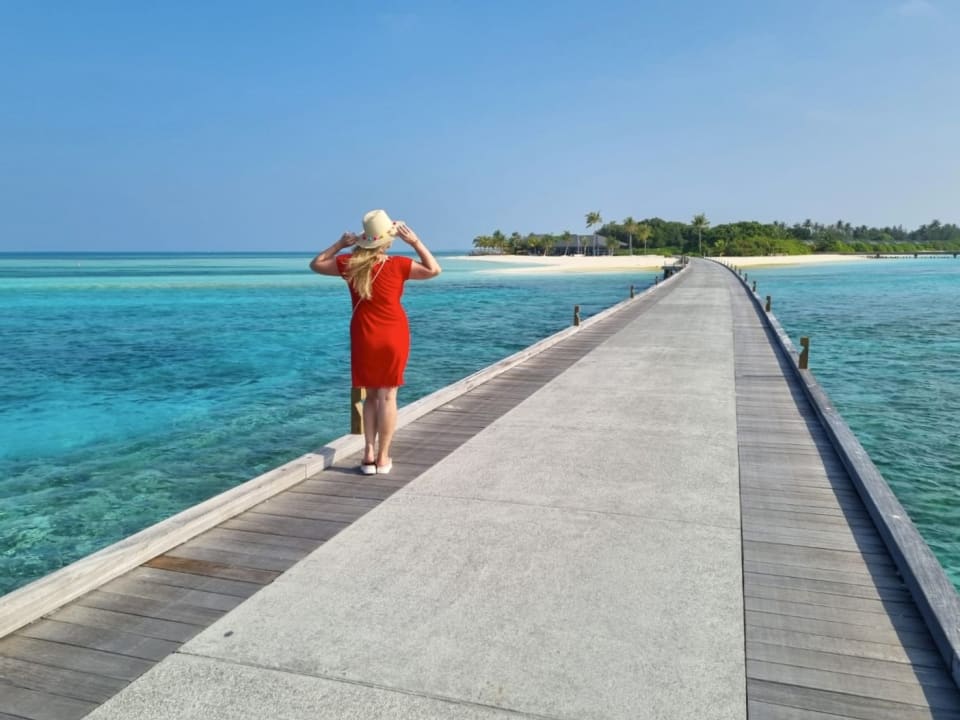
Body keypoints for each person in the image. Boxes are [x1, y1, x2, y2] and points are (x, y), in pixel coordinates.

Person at [309, 209, 441, 475]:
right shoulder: (399, 264)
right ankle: (383, 457)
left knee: (370, 395)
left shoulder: (350, 264)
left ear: (364, 240)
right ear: (388, 241)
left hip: (364, 333)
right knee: (388, 395)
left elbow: (316, 264)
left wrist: (340, 244)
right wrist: (414, 241)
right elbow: (433, 269)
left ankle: (368, 454)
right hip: (393, 333)